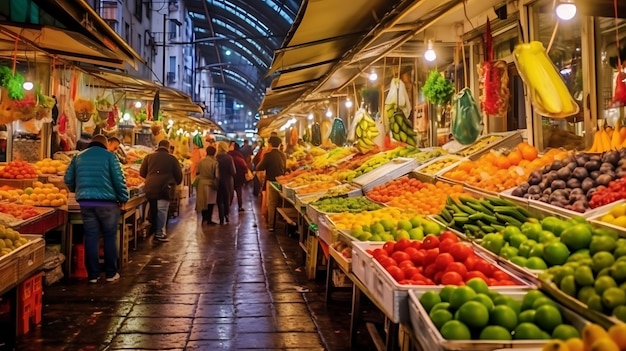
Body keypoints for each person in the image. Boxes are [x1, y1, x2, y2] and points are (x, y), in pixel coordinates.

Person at [64, 134, 129, 283]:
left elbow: (67, 178)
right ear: (105, 144)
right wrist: (123, 198)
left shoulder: (78, 157)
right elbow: (119, 180)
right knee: (109, 237)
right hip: (107, 203)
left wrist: (78, 189)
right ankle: (111, 274)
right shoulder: (110, 157)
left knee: (91, 236)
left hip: (86, 202)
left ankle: (93, 275)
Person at [140, 139, 183, 241]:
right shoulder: (172, 159)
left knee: (153, 210)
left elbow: (142, 173)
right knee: (162, 210)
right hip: (165, 188)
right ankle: (159, 234)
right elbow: (179, 176)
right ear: (168, 147)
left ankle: (154, 231)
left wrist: (151, 178)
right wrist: (174, 183)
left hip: (150, 187)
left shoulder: (149, 157)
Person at [255, 136, 286, 232]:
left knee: (271, 203)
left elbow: (259, 167)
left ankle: (271, 225)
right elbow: (284, 168)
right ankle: (279, 221)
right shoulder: (283, 155)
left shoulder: (268, 155)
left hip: (272, 181)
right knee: (280, 202)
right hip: (282, 181)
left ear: (270, 144)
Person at [195, 145, 219, 224]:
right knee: (210, 202)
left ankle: (203, 218)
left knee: (203, 201)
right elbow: (216, 175)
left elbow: (197, 172)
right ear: (214, 153)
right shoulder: (215, 163)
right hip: (211, 184)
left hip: (201, 183)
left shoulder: (201, 161)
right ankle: (209, 219)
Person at [215, 141, 236, 225]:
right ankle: (226, 215)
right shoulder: (229, 158)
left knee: (219, 199)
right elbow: (233, 171)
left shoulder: (216, 157)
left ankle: (221, 218)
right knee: (227, 198)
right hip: (228, 181)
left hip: (218, 180)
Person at [228, 142, 249, 212]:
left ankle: (228, 205)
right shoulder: (240, 155)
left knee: (230, 193)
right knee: (239, 192)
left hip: (230, 176)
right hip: (239, 176)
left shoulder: (228, 154)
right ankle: (240, 206)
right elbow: (244, 165)